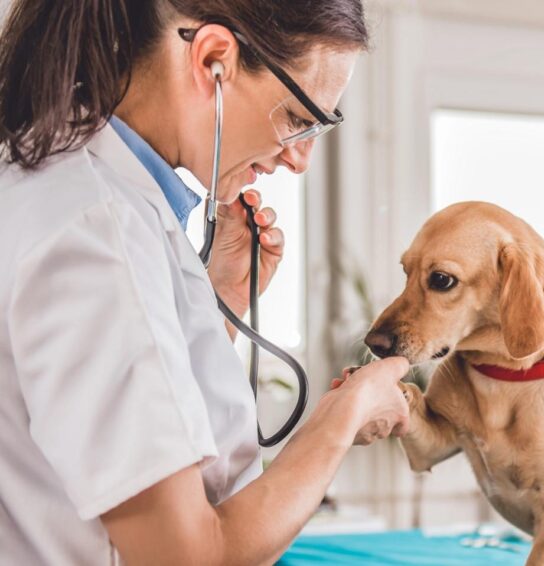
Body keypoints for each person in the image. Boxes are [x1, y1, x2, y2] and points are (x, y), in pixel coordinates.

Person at [0, 1, 410, 564]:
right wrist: (344, 417)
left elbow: (132, 420)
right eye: (297, 119)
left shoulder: (91, 194)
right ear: (214, 59)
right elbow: (187, 555)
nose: (300, 160)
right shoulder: (95, 232)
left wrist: (223, 302)